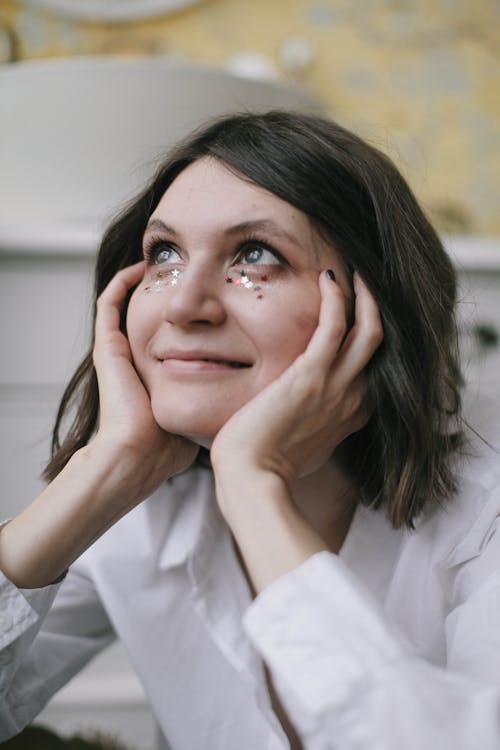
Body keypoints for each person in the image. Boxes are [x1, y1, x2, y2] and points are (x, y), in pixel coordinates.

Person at [0, 110, 499, 750]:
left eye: (255, 256)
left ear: (371, 308)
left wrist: (255, 485)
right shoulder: (140, 506)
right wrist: (104, 469)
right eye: (165, 255)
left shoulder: (482, 516)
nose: (183, 304)